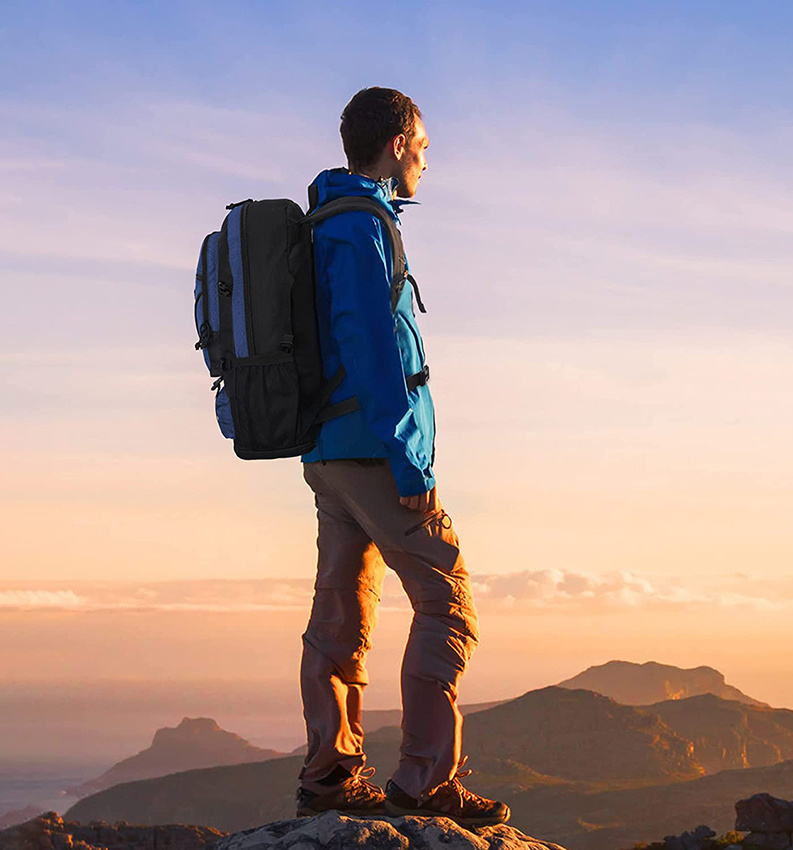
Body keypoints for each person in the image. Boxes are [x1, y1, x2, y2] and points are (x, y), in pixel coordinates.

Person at [296, 87, 510, 827]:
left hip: (327, 449)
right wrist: (410, 464)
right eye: (423, 145)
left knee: (341, 607)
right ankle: (424, 779)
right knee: (446, 601)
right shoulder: (362, 224)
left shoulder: (327, 217)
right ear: (397, 143)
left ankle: (329, 773)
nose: (426, 159)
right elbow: (370, 346)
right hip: (375, 450)